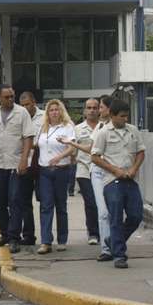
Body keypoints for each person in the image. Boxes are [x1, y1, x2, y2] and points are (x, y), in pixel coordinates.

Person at [91, 99, 145, 269]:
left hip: (130, 179)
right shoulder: (103, 133)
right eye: (122, 116)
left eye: (127, 116)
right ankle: (119, 255)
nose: (125, 119)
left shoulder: (133, 131)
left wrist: (134, 168)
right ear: (112, 116)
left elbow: (141, 152)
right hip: (112, 181)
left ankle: (112, 241)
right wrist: (115, 170)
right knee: (115, 217)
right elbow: (95, 157)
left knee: (136, 216)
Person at [0, 83, 37, 254]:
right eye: (6, 97)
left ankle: (14, 237)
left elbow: (28, 137)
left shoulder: (22, 113)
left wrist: (24, 160)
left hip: (16, 163)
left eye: (12, 96)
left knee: (15, 200)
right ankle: (5, 234)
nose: (10, 99)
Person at [36, 99, 75, 254]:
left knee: (61, 205)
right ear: (47, 113)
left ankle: (62, 240)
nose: (54, 112)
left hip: (61, 170)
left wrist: (59, 157)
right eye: (51, 110)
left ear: (61, 111)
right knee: (46, 206)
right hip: (44, 171)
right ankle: (46, 241)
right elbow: (36, 145)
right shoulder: (43, 128)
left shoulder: (67, 127)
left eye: (56, 109)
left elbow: (72, 148)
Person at [61, 99, 100, 245]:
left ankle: (105, 230)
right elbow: (72, 150)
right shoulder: (77, 129)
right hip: (84, 169)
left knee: (103, 202)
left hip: (102, 168)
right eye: (89, 108)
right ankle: (93, 233)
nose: (92, 110)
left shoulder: (104, 127)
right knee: (91, 202)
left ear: (99, 110)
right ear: (84, 110)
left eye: (95, 108)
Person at [18, 91, 44, 250]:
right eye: (22, 105)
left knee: (44, 201)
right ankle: (28, 235)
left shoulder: (45, 116)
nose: (25, 108)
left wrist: (33, 144)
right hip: (25, 163)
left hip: (42, 163)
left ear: (34, 102)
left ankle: (47, 237)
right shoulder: (18, 117)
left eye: (27, 104)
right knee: (24, 201)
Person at [90, 95, 113, 261]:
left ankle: (116, 244)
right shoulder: (99, 126)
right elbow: (91, 149)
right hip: (98, 172)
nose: (99, 110)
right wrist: (72, 144)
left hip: (115, 173)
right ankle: (106, 249)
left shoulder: (121, 127)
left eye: (101, 107)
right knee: (103, 212)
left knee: (116, 212)